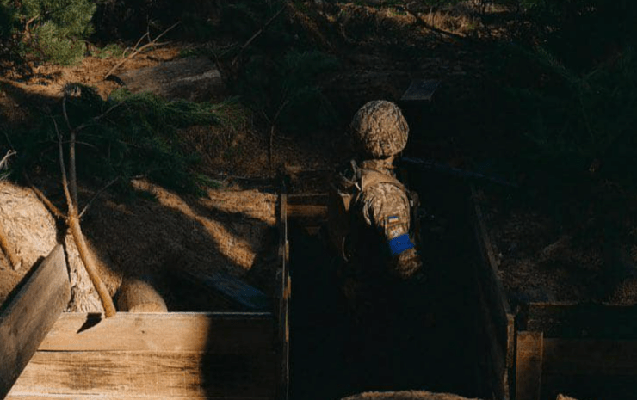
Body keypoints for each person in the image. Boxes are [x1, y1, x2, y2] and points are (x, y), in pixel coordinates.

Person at [328, 100, 423, 320]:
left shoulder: (350, 171)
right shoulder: (386, 197)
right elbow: (402, 257)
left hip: (349, 277)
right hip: (377, 297)